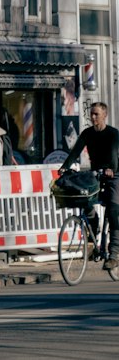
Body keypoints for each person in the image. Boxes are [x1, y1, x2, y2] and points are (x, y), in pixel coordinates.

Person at [60, 100, 119, 268]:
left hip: (114, 174)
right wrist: (65, 167)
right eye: (91, 114)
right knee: (85, 201)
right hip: (96, 173)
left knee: (114, 209)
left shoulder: (113, 133)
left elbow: (114, 153)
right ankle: (95, 232)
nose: (93, 117)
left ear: (104, 115)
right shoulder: (87, 133)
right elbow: (75, 151)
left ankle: (114, 254)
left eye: (96, 114)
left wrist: (111, 169)